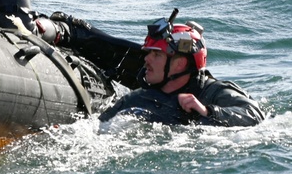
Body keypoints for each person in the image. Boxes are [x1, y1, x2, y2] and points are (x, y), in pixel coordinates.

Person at [98, 10, 264, 127]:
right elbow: (98, 126)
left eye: (156, 55)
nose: (146, 59)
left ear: (180, 64)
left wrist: (207, 112)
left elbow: (254, 114)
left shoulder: (214, 92)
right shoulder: (135, 100)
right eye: (148, 53)